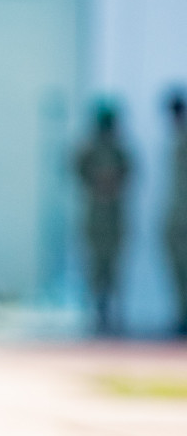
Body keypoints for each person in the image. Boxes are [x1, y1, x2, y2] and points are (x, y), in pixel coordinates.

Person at [75, 101, 132, 336]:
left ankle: (113, 316)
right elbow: (78, 171)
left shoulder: (120, 150)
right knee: (95, 268)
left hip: (114, 218)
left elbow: (127, 174)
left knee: (114, 269)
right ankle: (98, 316)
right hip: (96, 218)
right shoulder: (89, 149)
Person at [165, 89, 187, 337]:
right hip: (176, 214)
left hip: (182, 215)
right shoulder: (176, 138)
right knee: (177, 267)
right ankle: (181, 315)